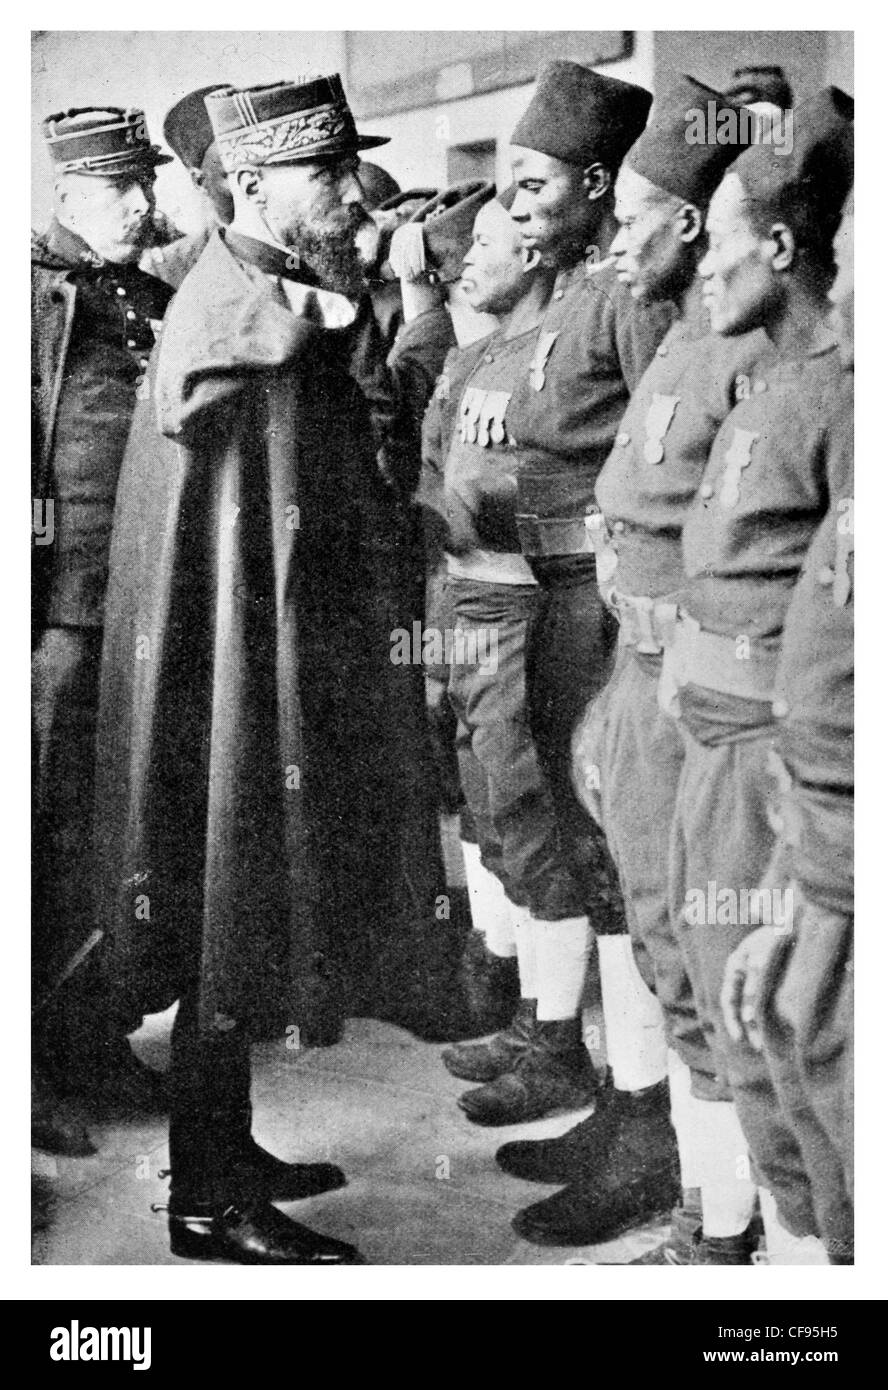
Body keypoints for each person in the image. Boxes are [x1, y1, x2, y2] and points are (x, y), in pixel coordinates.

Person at [94, 73, 412, 1264]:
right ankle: (205, 1202)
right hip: (225, 674)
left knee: (241, 898)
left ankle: (222, 1151)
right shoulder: (235, 309)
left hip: (264, 653)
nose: (346, 193)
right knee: (223, 891)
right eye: (327, 173)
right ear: (256, 181)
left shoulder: (273, 289)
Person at [498, 76, 771, 1258]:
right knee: (618, 891)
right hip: (603, 626)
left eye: (635, 214)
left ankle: (682, 1169)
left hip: (661, 649)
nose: (619, 239)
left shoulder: (685, 323)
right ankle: (632, 1110)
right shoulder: (620, 297)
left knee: (661, 904)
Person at [476, 59, 675, 1238]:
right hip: (553, 604)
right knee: (586, 864)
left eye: (535, 181)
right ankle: (620, 1097)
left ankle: (652, 1132)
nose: (514, 202)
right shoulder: (560, 288)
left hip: (602, 611)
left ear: (599, 184)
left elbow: (660, 454)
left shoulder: (630, 292)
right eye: (507, 178)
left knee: (621, 868)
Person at [659, 87, 854, 1264]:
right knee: (719, 1004)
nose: (702, 276)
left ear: (782, 250)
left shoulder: (842, 396)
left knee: (778, 1040)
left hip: (769, 764)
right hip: (707, 738)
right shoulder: (763, 379)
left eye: (720, 251)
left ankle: (795, 1282)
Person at [32, 107, 175, 1153]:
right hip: (56, 624)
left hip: (141, 609)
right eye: (116, 187)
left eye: (143, 183)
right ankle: (24, 1075)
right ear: (68, 195)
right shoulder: (32, 302)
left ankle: (92, 1037)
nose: (138, 203)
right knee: (34, 841)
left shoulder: (154, 300)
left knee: (113, 839)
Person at [721, 189, 854, 1262]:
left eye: (864, 264)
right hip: (812, 829)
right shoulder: (805, 383)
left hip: (840, 845)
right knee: (773, 1043)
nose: (842, 285)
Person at [141, 85, 234, 289]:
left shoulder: (296, 243)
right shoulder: (170, 270)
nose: (248, 186)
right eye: (232, 174)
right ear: (200, 181)